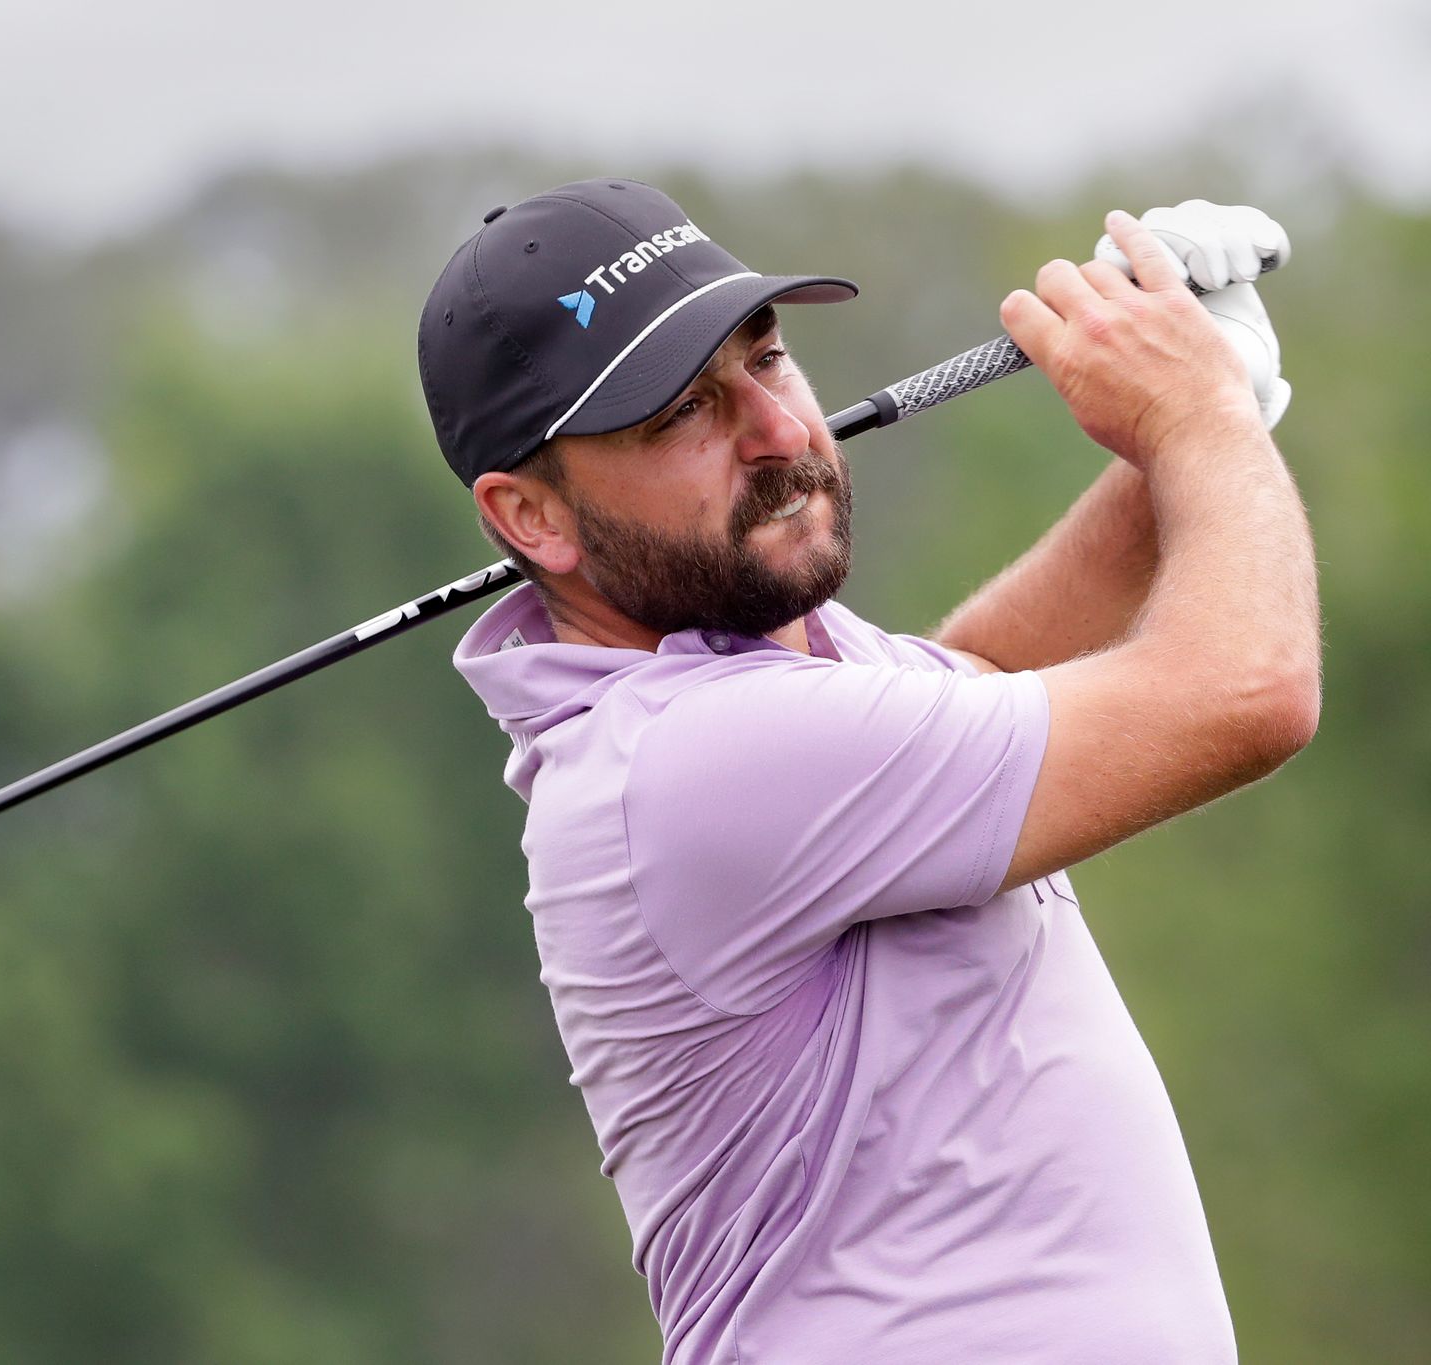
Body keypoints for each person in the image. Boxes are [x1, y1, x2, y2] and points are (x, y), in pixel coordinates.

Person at [416, 179, 1318, 1363]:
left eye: (767, 359)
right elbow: (1246, 693)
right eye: (681, 411)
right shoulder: (687, 761)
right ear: (532, 516)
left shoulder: (759, 697)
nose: (780, 430)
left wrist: (1202, 422)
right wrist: (1198, 423)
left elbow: (976, 680)